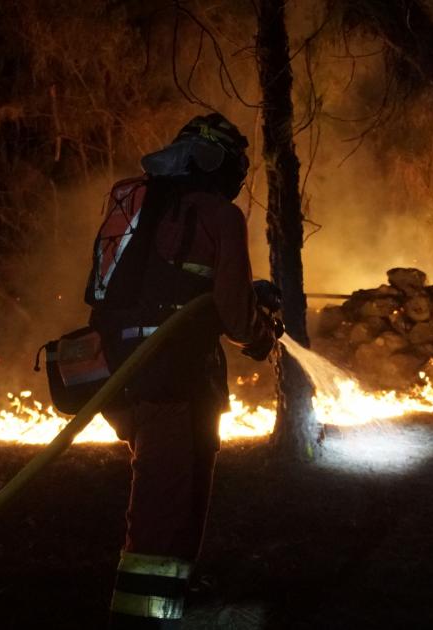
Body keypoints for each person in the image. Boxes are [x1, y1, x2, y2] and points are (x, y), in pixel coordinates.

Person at [83, 112, 279, 629]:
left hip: (126, 374)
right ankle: (143, 616)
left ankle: (173, 595)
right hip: (177, 380)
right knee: (167, 502)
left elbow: (177, 290)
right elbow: (237, 317)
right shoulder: (218, 215)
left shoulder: (146, 206)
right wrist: (263, 334)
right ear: (222, 164)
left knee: (171, 491)